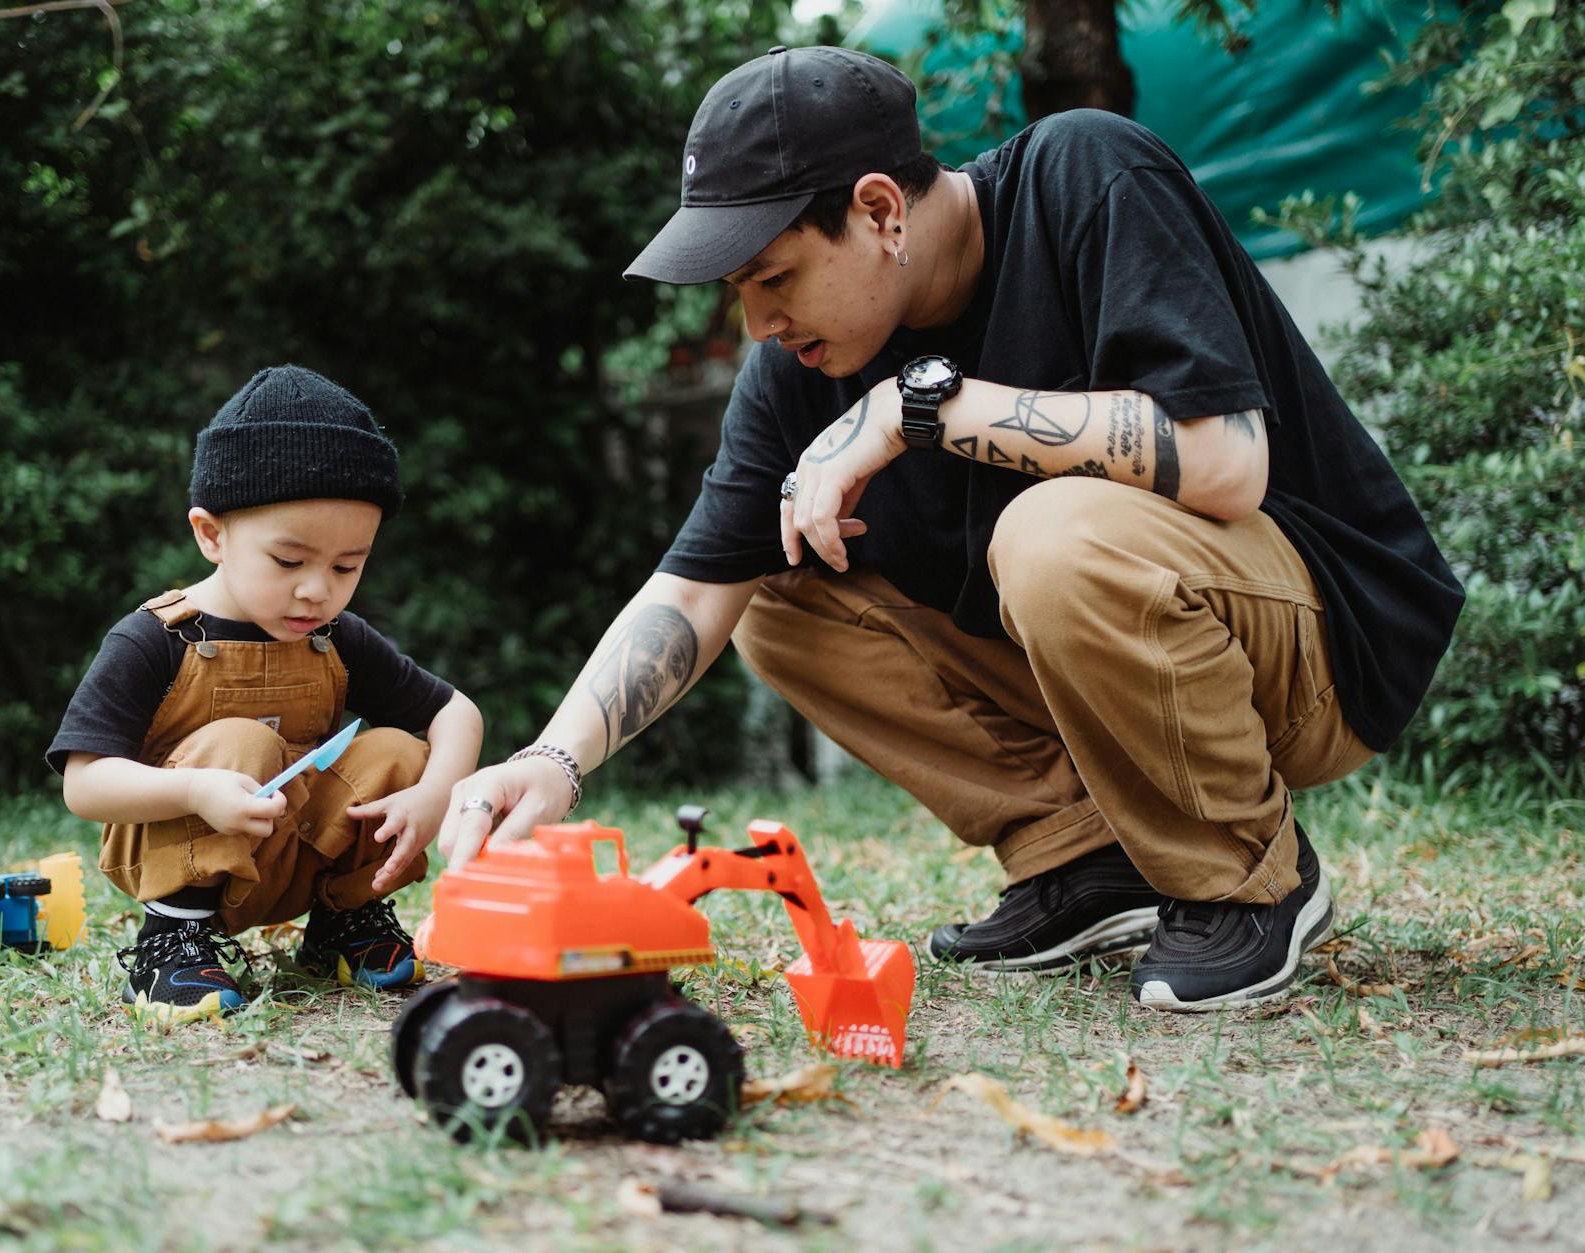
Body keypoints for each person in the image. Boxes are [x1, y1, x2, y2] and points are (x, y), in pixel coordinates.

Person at [434, 46, 1461, 1011]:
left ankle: (1245, 881)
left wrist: (914, 409)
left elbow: (1227, 460)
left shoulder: (1084, 173)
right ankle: (1083, 854)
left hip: (1313, 641)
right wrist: (553, 759)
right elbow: (696, 587)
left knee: (1052, 532)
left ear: (878, 210)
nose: (757, 325)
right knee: (778, 591)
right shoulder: (798, 367)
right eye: (740, 294)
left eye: (774, 280)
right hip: (1107, 671)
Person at [49, 365, 482, 1022]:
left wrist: (432, 795)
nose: (317, 589)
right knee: (240, 739)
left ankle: (345, 920)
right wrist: (195, 792)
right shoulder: (154, 639)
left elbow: (457, 712)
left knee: (395, 748)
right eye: (289, 561)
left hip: (295, 850)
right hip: (184, 854)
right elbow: (84, 785)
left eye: (347, 565)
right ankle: (171, 942)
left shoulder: (337, 636)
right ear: (211, 533)